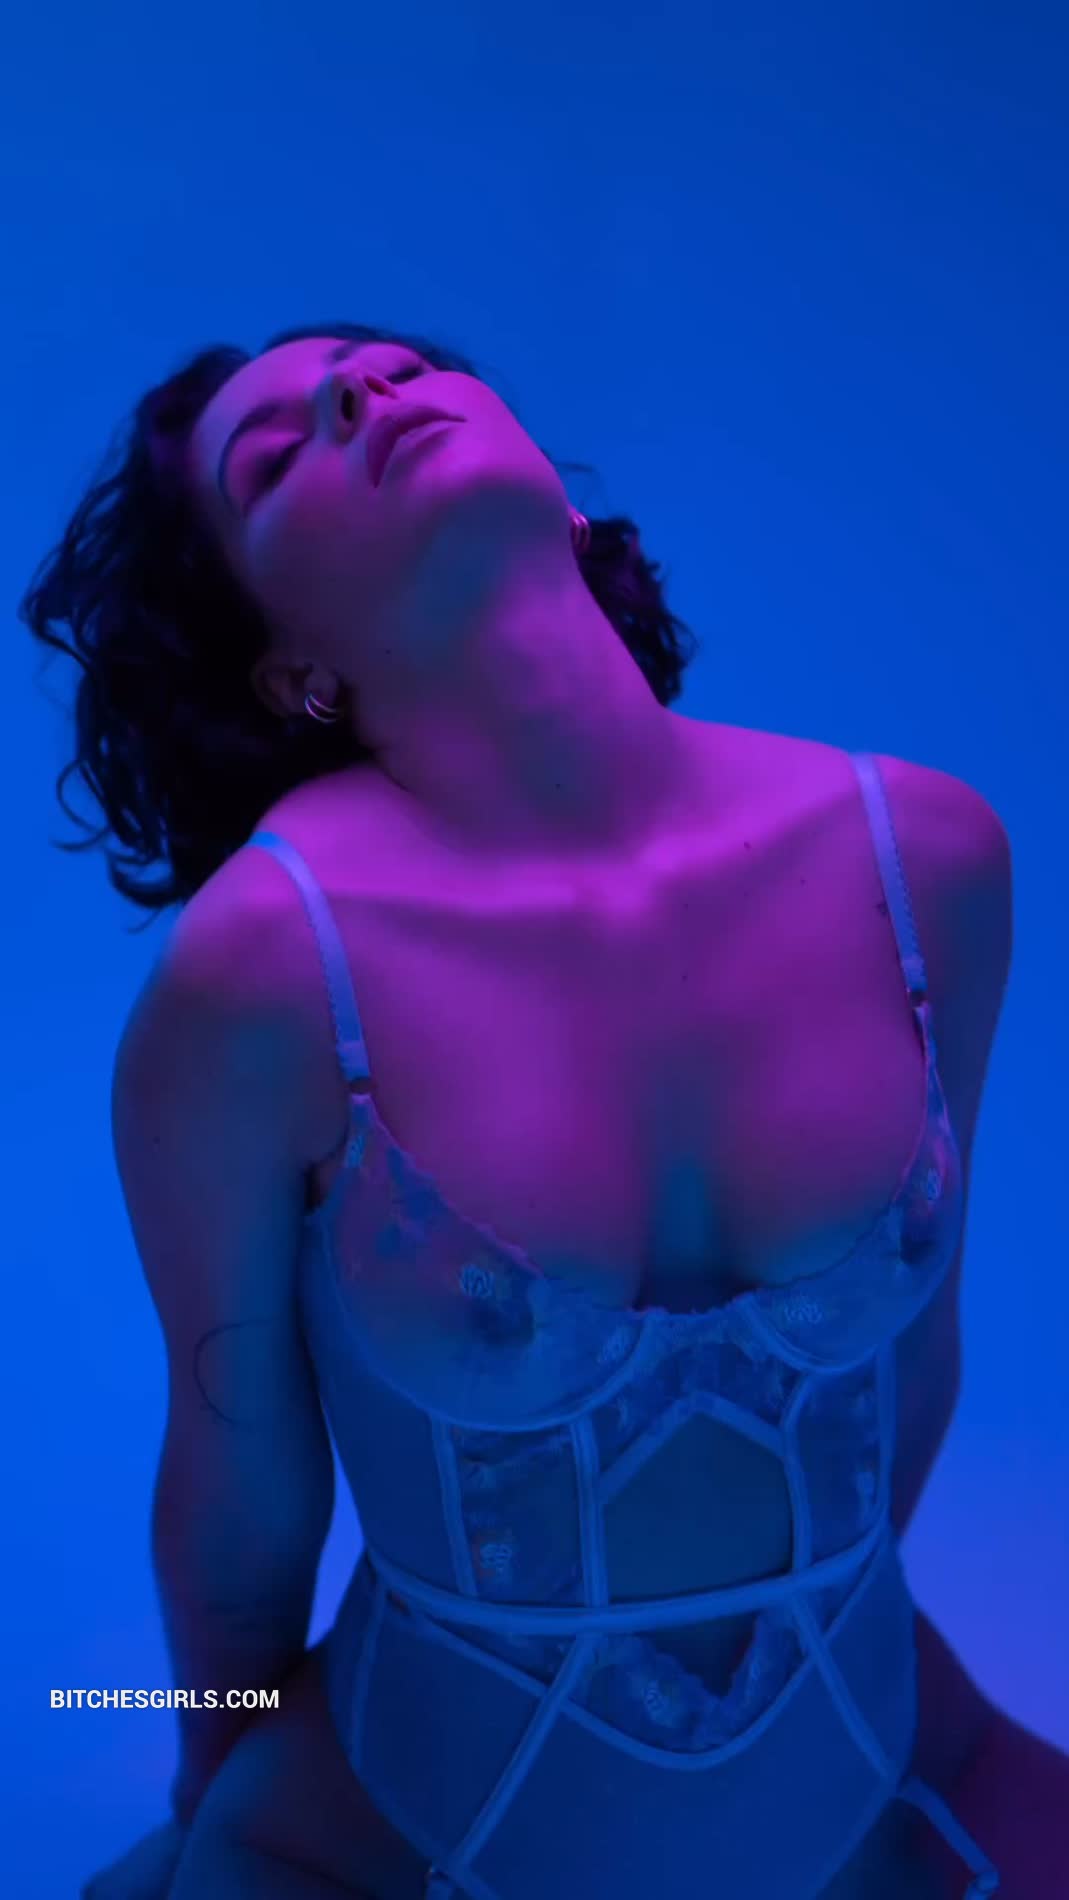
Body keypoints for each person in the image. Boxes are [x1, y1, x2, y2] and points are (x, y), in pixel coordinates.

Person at [20, 322, 1060, 1900]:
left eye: (389, 365)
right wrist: (209, 1777)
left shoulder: (925, 858)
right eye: (275, 456)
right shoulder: (261, 982)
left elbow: (917, 1361)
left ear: (566, 506)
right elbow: (241, 1491)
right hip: (398, 1837)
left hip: (882, 1759)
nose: (357, 391)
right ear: (285, 669)